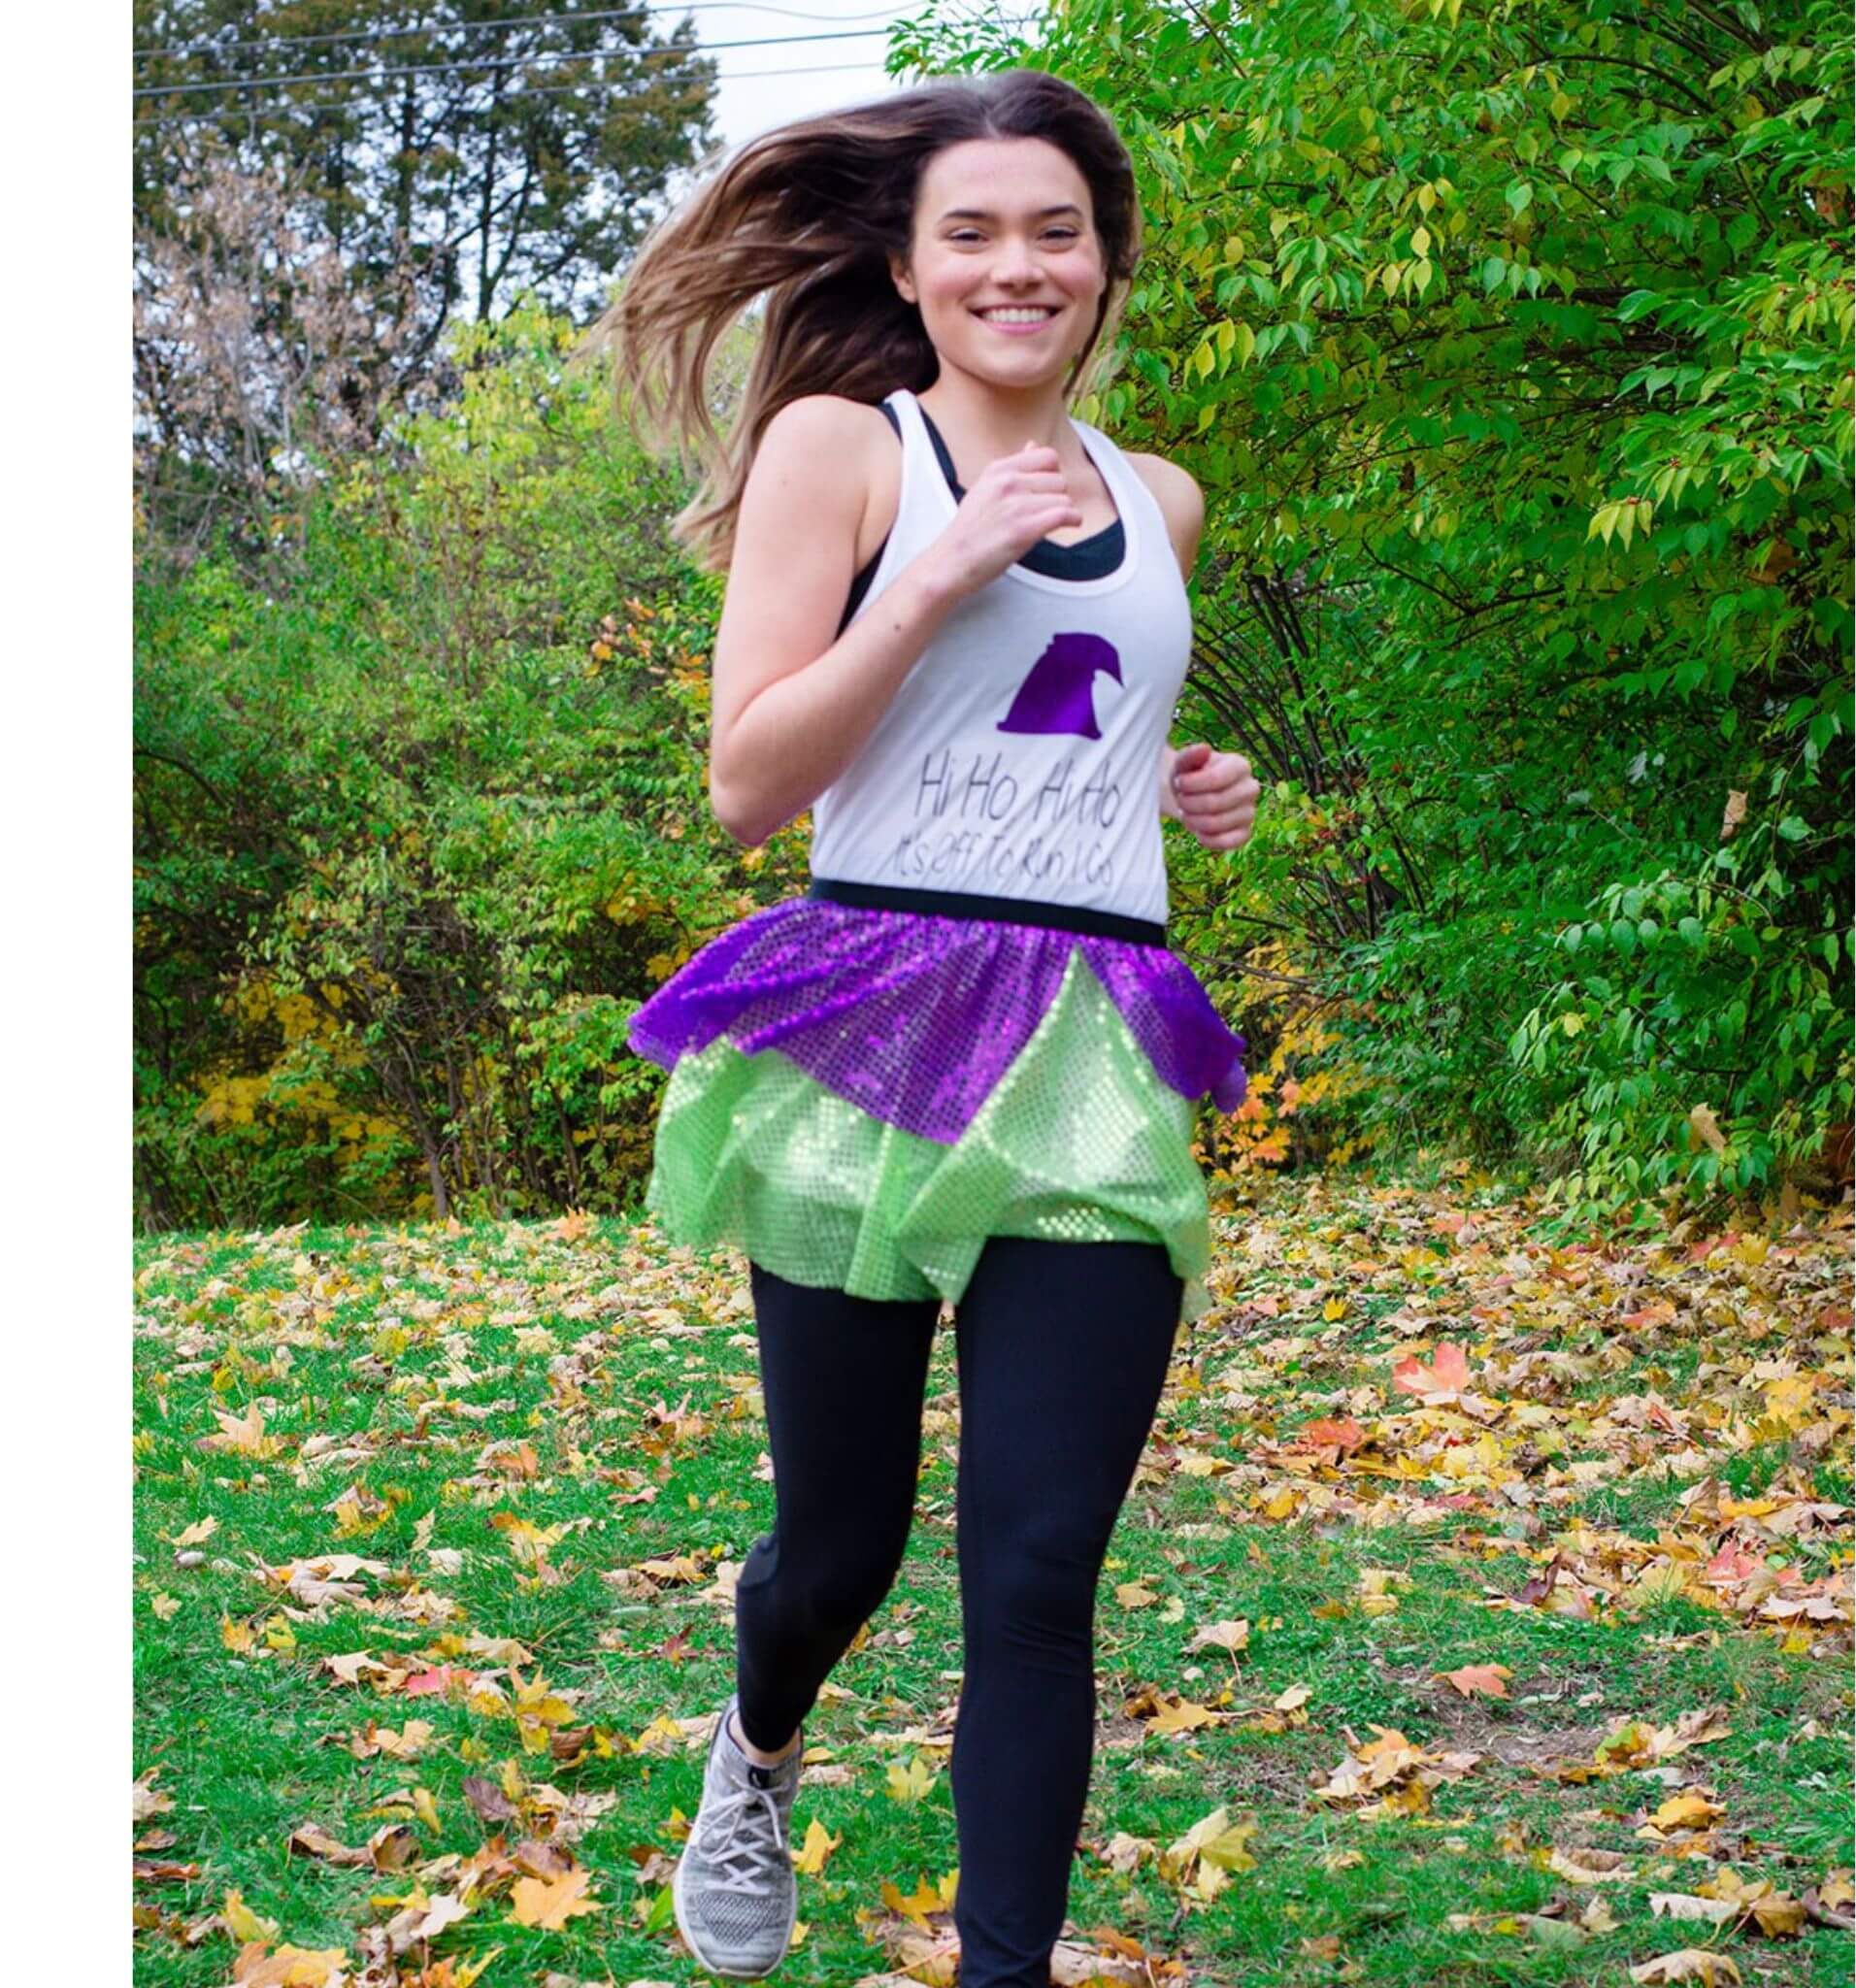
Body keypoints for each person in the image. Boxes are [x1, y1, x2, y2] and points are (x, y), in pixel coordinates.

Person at [583, 67, 1262, 1988]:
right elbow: (750, 780)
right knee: (842, 1546)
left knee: (1037, 1570)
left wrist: (1175, 788)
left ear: (1106, 262)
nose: (1015, 265)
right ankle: (756, 1742)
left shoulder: (1160, 500)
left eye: (1057, 230)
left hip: (1090, 1047)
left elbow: (1045, 733)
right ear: (906, 262)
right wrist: (936, 578)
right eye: (971, 231)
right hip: (873, 1027)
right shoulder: (846, 451)